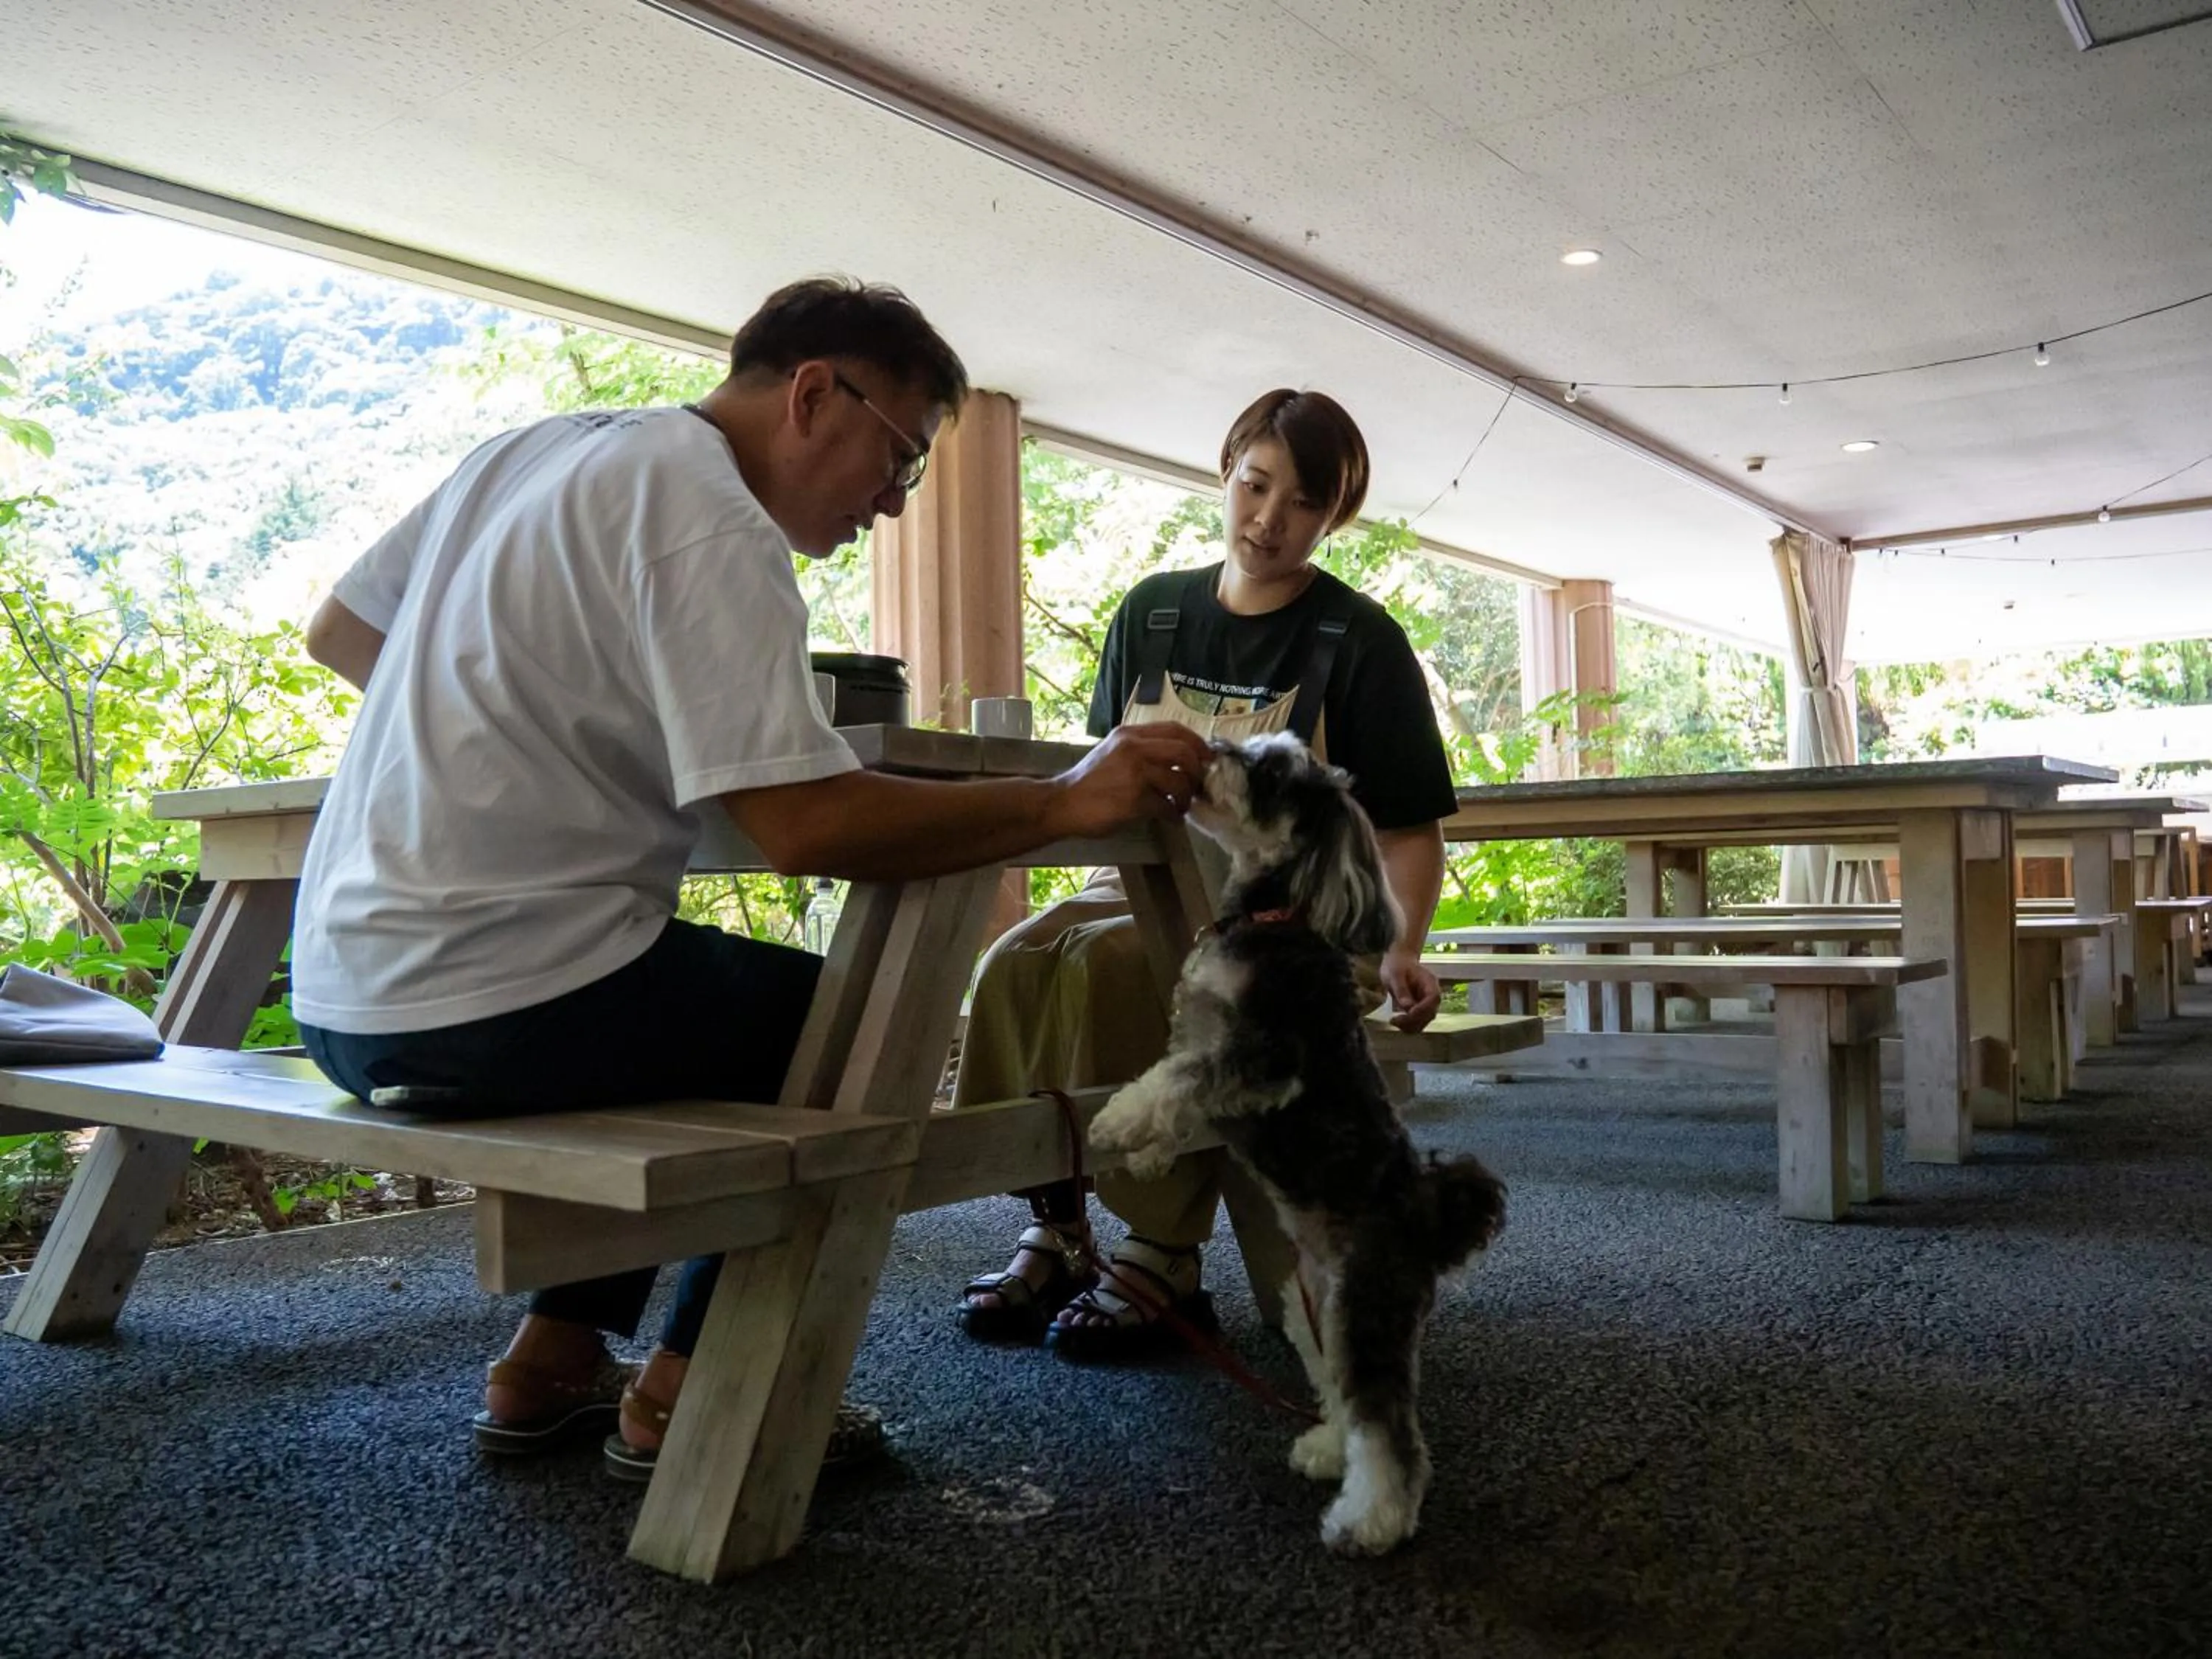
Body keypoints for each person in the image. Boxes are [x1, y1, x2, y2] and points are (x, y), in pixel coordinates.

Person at [293, 276, 1214, 1478]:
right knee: (843, 1023)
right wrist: (1062, 801)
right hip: (491, 1000)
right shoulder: (710, 514)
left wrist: (525, 734)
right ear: (815, 392)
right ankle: (697, 1394)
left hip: (343, 997)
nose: (893, 504)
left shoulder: (534, 451)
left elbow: (340, 631)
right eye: (903, 457)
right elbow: (803, 823)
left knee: (679, 1002)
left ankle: (550, 1363)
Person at [953, 388, 1459, 1357]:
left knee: (1114, 969)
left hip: (1292, 928)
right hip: (1136, 888)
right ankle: (1060, 1225)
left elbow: (1407, 826)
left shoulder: (1358, 641)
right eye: (1255, 485)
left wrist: (1404, 948)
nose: (1269, 519)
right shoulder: (1149, 615)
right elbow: (1101, 781)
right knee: (1013, 963)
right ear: (1226, 471)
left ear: (1333, 516)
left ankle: (1161, 1251)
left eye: (1302, 502)